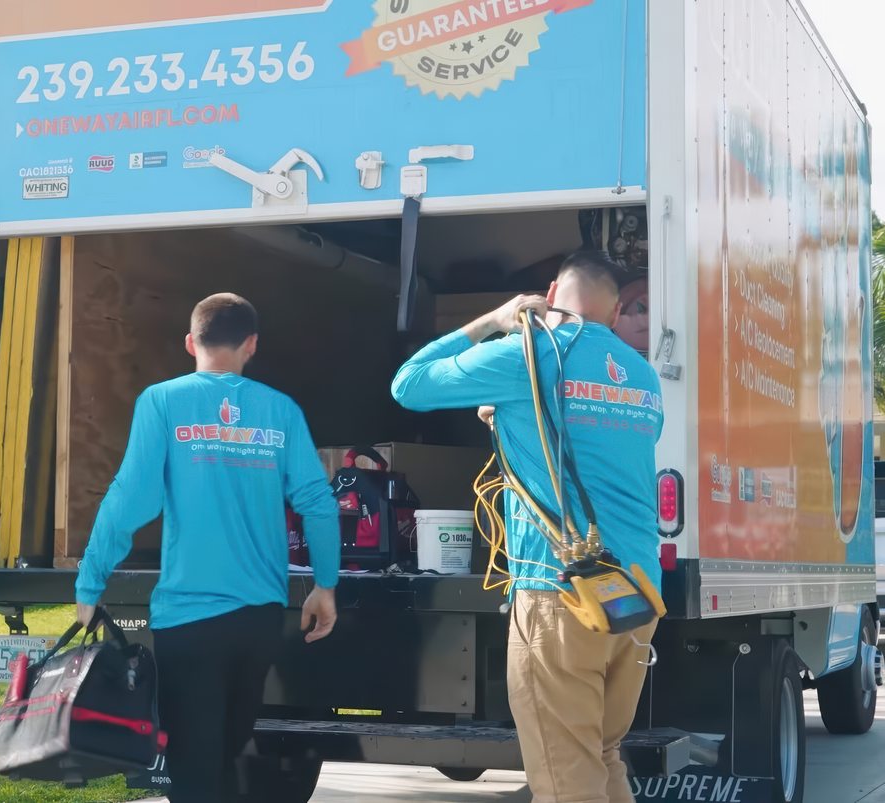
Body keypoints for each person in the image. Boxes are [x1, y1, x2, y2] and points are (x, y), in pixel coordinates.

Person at [390, 251, 663, 803]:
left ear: (550, 293)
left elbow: (409, 384)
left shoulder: (527, 355)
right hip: (634, 593)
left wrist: (492, 321)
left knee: (565, 777)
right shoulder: (642, 375)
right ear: (614, 314)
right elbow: (593, 447)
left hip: (561, 591)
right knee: (601, 753)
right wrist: (511, 416)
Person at [74, 292, 341, 803]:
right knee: (226, 760)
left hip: (188, 621)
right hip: (259, 620)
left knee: (195, 773)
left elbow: (130, 498)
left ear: (189, 342)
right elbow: (318, 503)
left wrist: (90, 582)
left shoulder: (162, 401)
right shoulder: (281, 410)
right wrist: (325, 586)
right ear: (251, 344)